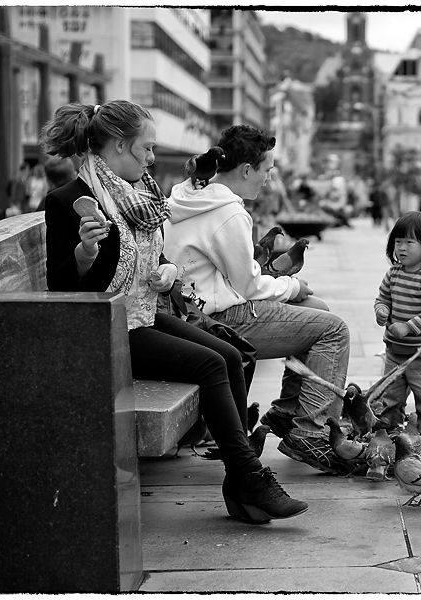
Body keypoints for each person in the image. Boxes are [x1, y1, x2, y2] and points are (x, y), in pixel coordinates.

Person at [41, 100, 307, 523]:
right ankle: (247, 479)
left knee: (232, 355)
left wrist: (164, 271)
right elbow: (64, 292)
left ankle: (242, 483)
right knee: (209, 365)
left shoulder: (140, 196)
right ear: (120, 146)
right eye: (146, 149)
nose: (151, 159)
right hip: (106, 329)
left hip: (142, 313)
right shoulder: (69, 201)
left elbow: (152, 259)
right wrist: (84, 253)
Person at [164, 125, 351, 474]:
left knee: (317, 312)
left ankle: (286, 413)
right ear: (246, 169)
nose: (267, 179)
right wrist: (293, 288)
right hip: (221, 320)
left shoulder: (190, 197)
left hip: (192, 311)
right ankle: (311, 433)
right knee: (334, 330)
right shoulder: (229, 213)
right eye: (266, 170)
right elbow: (249, 286)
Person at [373, 211, 421, 432]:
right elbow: (382, 298)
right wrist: (382, 310)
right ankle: (392, 440)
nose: (402, 248)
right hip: (395, 352)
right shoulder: (394, 272)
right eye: (398, 242)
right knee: (390, 402)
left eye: (409, 242)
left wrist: (408, 327)